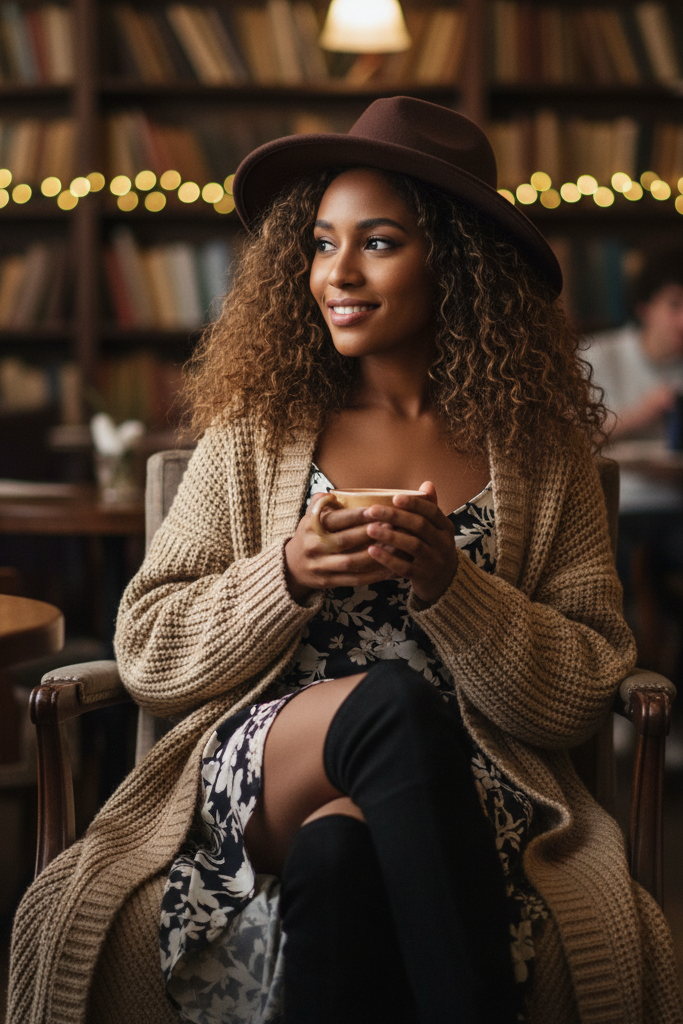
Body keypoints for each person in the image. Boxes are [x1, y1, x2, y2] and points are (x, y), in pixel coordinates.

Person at [8, 97, 682, 1024]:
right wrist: (283, 573)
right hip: (265, 760)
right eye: (322, 244)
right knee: (390, 707)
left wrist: (456, 588)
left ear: (455, 260)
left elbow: (581, 685)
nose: (338, 274)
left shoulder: (538, 452)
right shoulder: (257, 431)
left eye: (378, 242)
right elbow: (148, 646)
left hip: (468, 782)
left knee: (340, 859)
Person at [586, 248, 683, 679]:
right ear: (645, 307)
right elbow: (572, 437)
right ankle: (622, 693)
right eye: (675, 304)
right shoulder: (598, 356)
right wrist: (647, 410)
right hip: (617, 503)